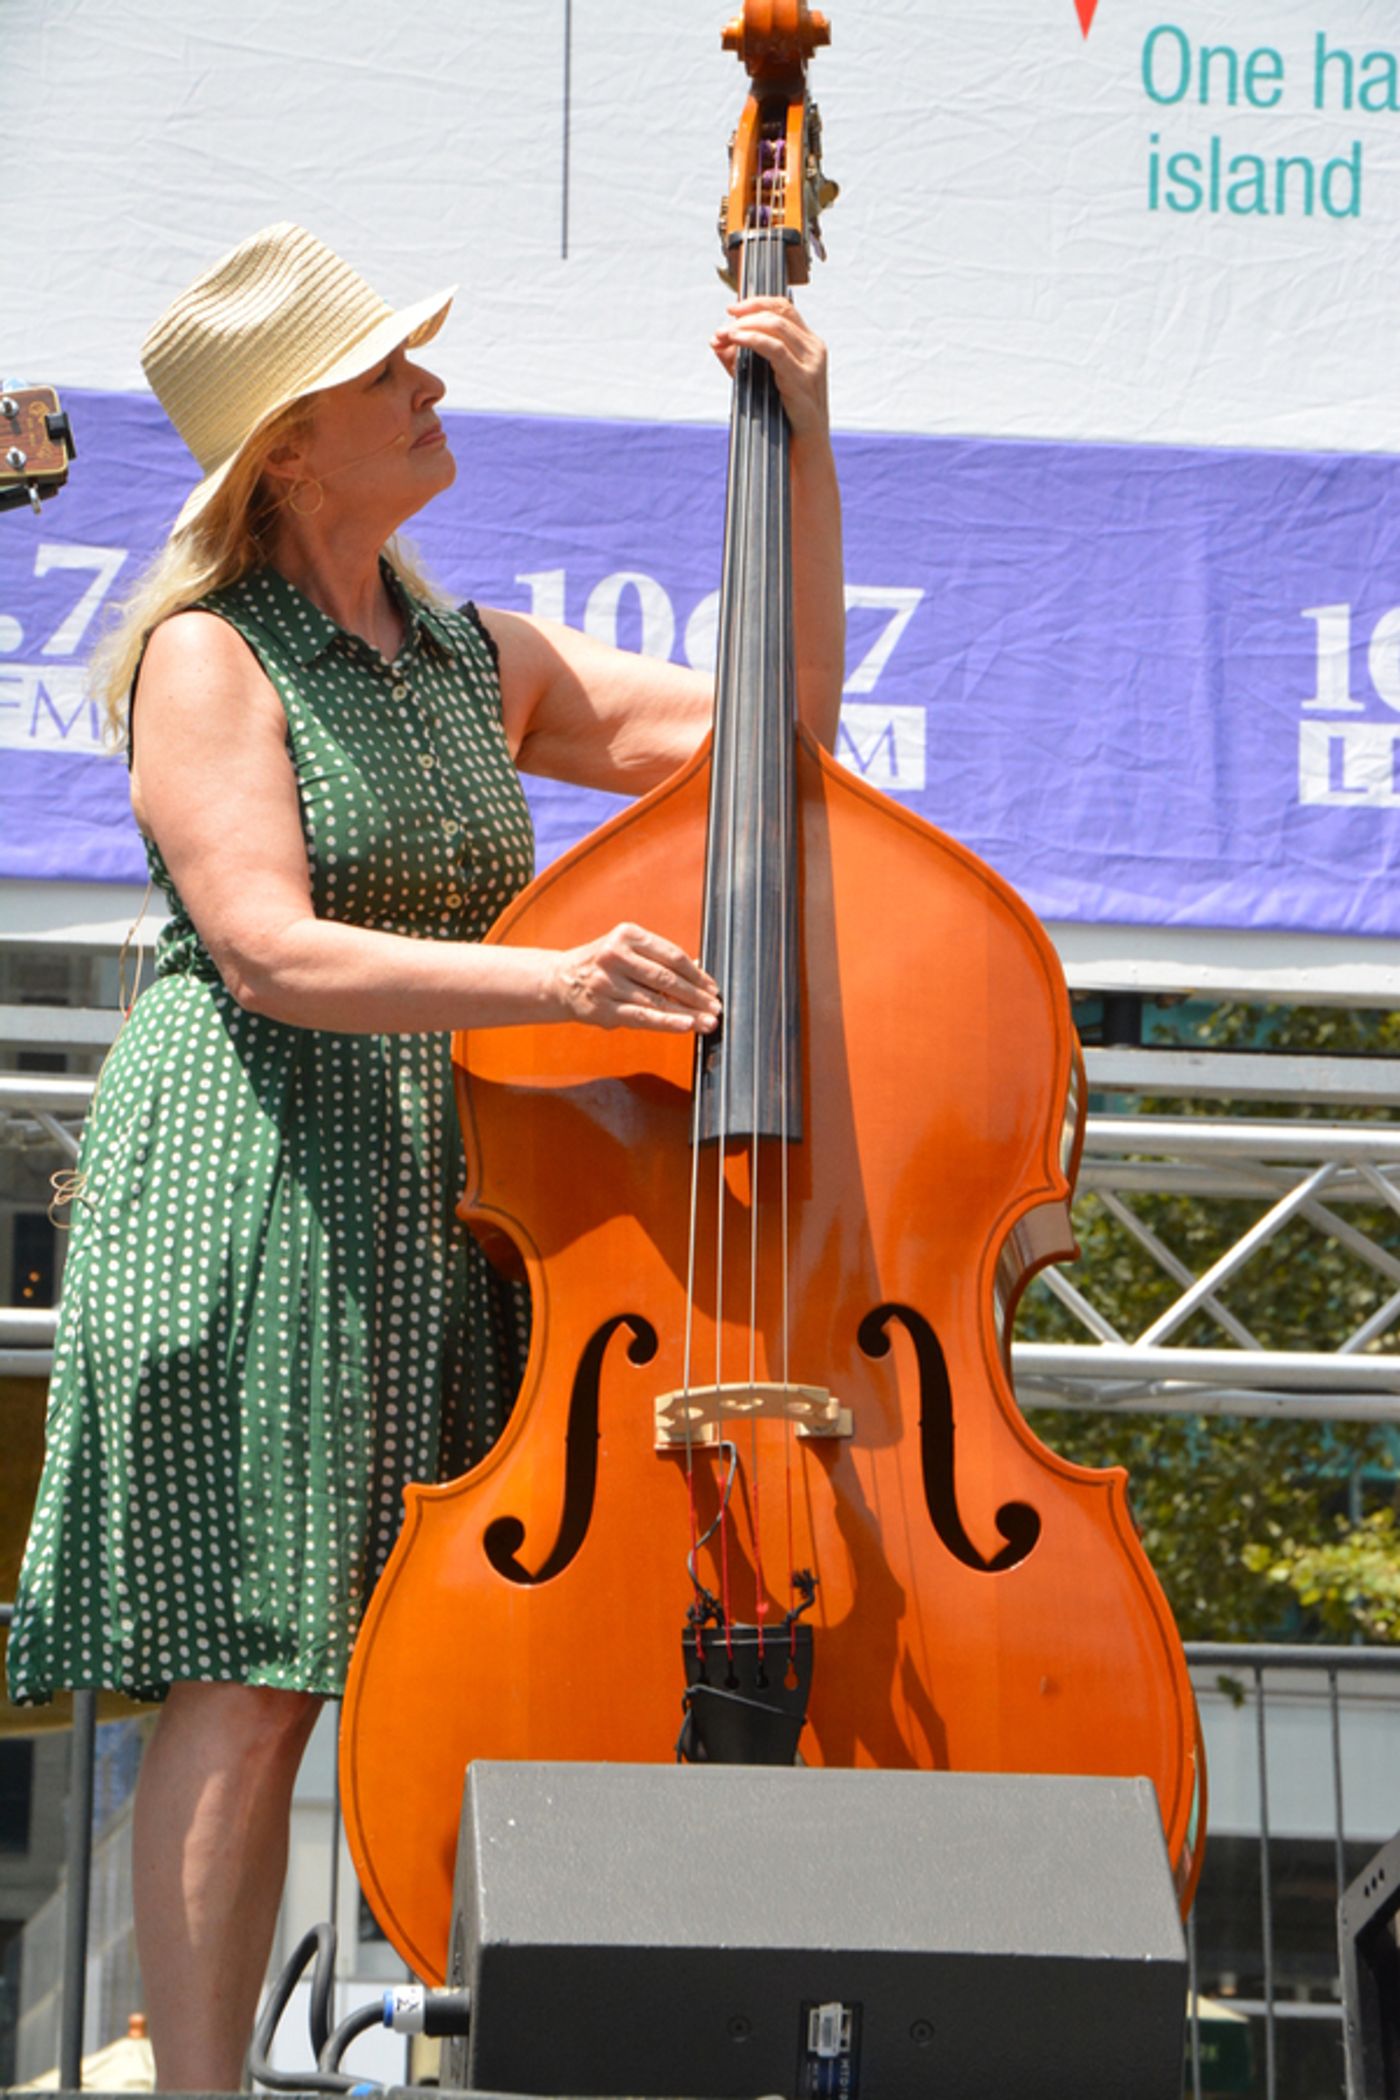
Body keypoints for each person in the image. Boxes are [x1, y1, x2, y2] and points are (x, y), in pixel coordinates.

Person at [6, 221, 844, 2089]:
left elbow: (784, 734)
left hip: (436, 1198)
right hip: (253, 1186)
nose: (431, 386)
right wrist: (561, 981)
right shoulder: (211, 656)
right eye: (389, 373)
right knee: (255, 1673)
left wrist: (804, 447)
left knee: (457, 1647)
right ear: (291, 447)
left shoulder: (477, 656)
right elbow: (268, 951)